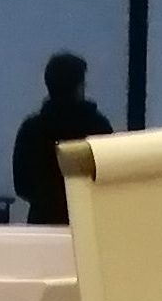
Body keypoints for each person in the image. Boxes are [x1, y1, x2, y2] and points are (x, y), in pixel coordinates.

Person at [12, 52, 112, 227]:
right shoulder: (97, 127)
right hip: (88, 222)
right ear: (79, 86)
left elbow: (22, 185)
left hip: (43, 222)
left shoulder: (31, 129)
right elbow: (109, 176)